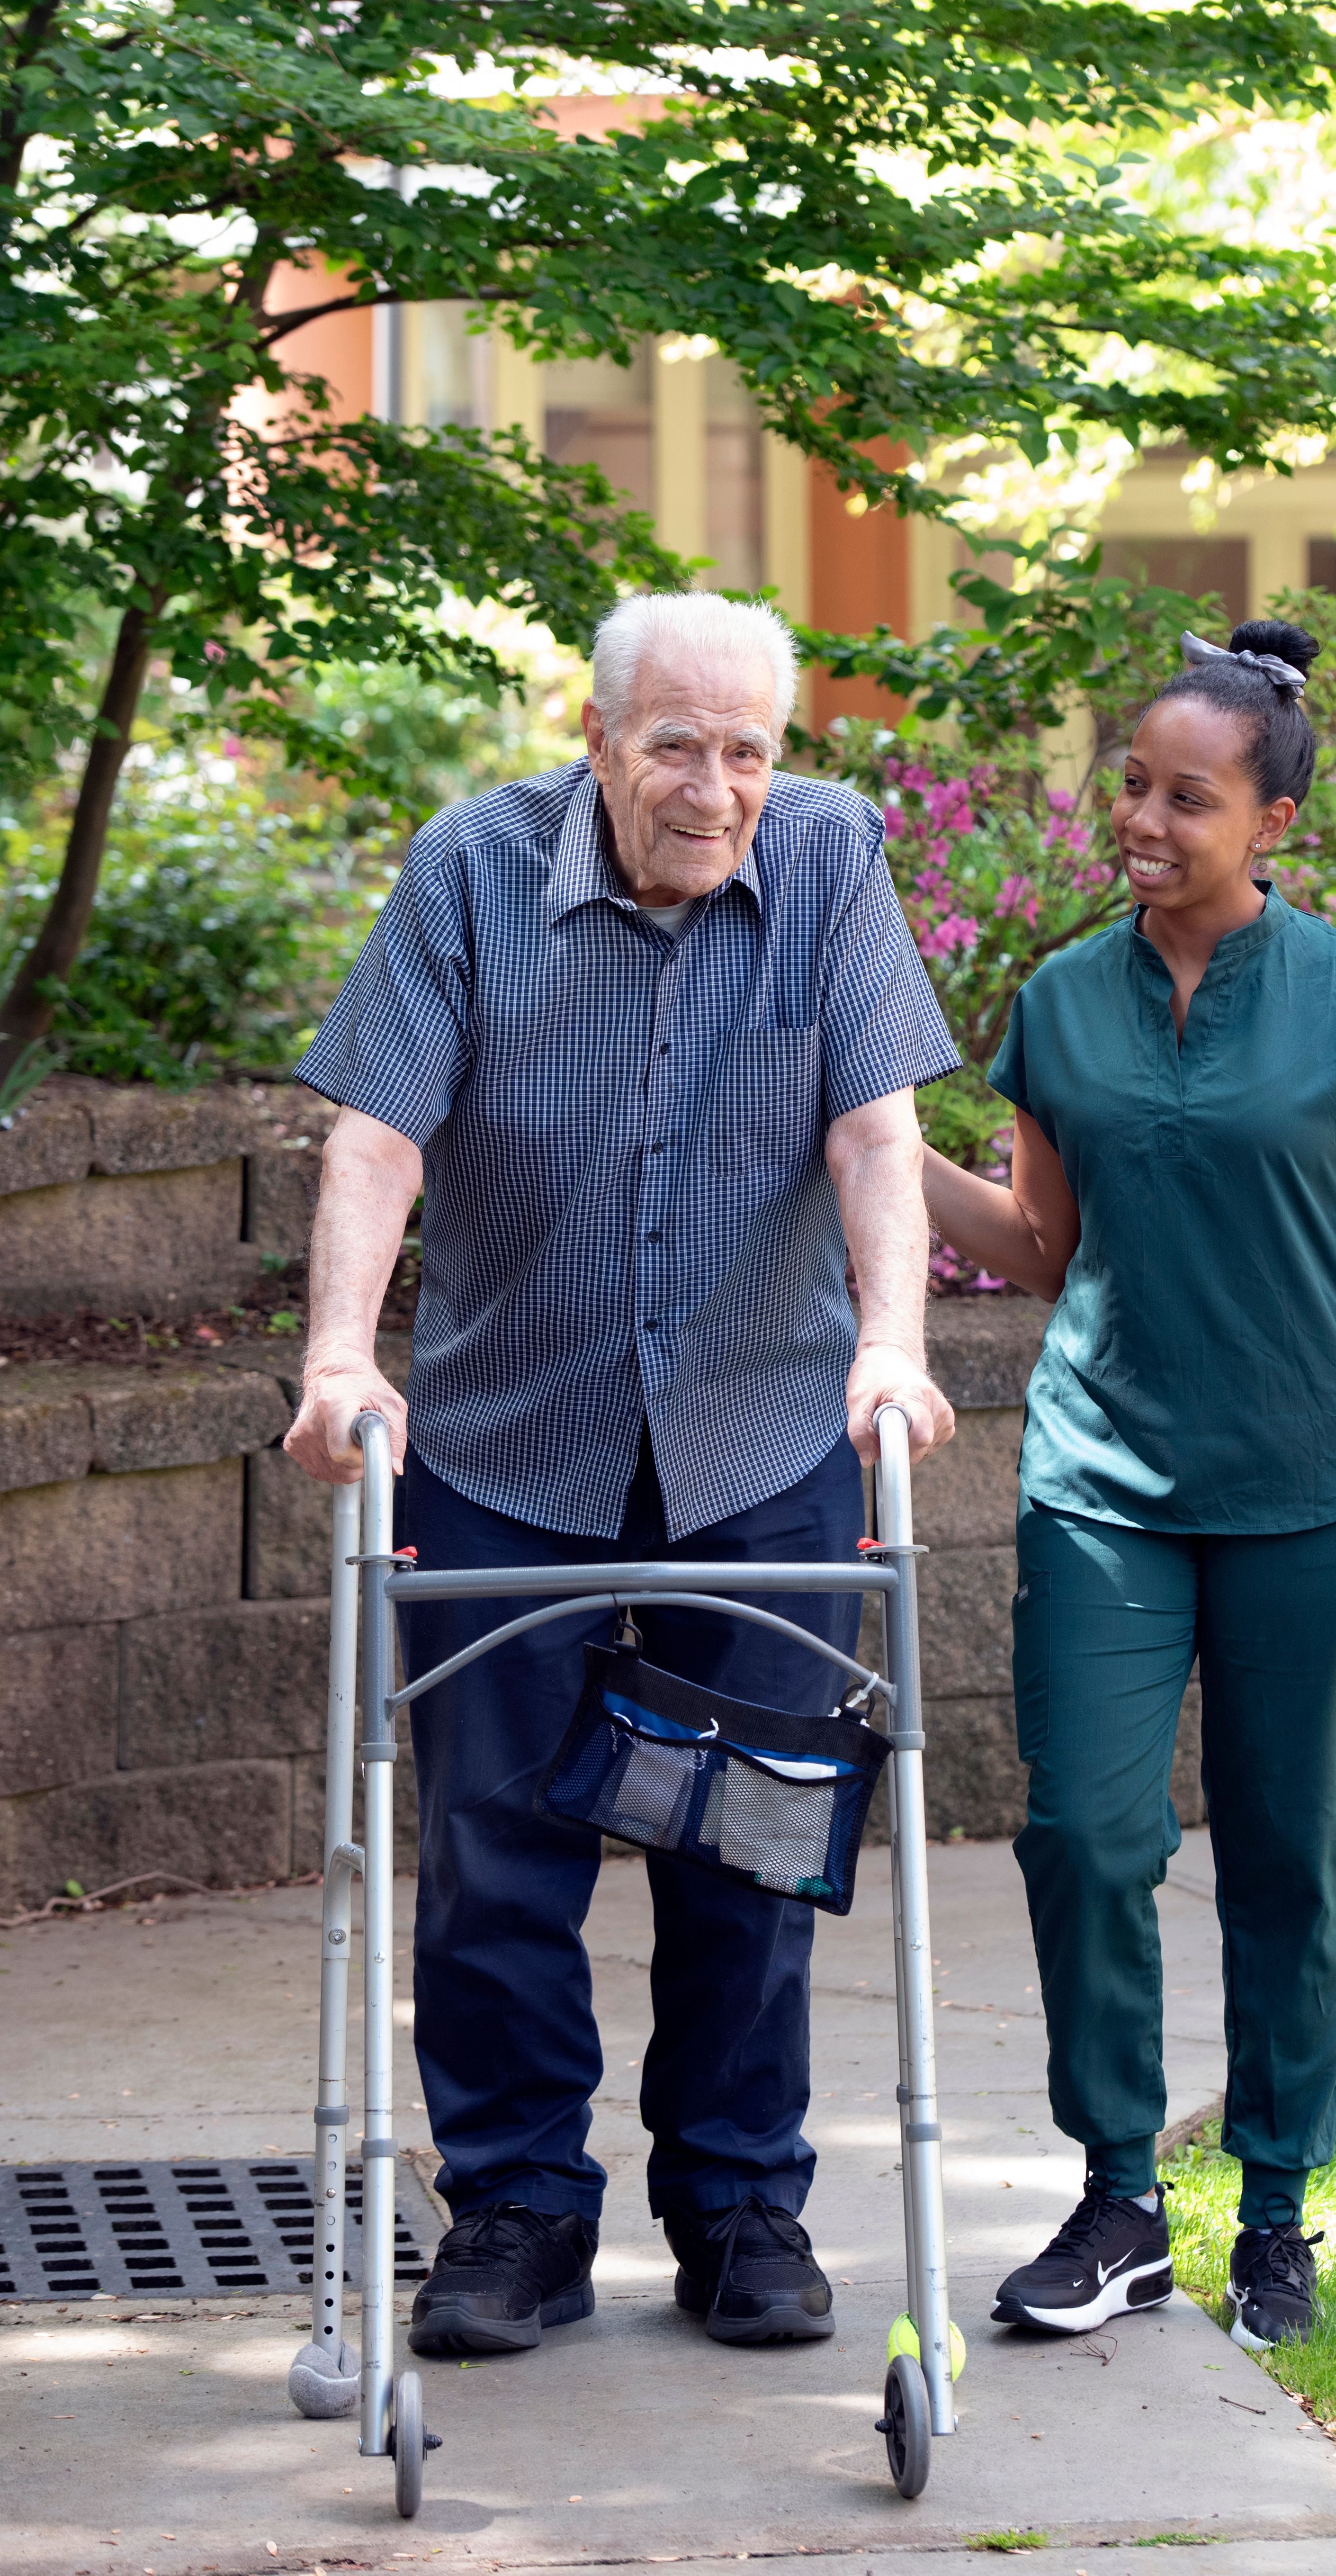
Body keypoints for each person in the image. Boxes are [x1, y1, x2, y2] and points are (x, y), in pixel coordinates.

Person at [284, 592, 958, 2360]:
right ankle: (517, 2210)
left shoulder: (830, 857)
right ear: (595, 742)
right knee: (500, 1848)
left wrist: (893, 1342)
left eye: (750, 749)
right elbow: (379, 1132)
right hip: (514, 1439)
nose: (716, 788)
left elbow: (878, 1128)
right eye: (677, 745)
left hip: (763, 1436)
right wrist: (340, 1355)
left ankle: (741, 2206)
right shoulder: (471, 869)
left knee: (757, 1839)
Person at [920, 620, 1336, 2351]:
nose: (1145, 821)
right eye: (1135, 786)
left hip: (1315, 1489)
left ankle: (1280, 2212)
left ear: (1272, 823)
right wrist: (878, 1143)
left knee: (1289, 1859)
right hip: (1105, 1483)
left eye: (1190, 797)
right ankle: (1117, 2201)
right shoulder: (1063, 1005)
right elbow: (1037, 1244)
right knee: (1087, 1831)